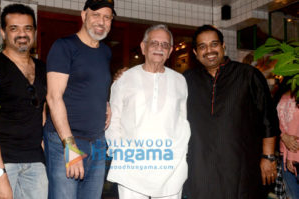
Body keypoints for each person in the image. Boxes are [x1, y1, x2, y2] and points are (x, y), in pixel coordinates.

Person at [182, 25, 279, 198]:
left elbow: (268, 118)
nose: (209, 50)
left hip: (241, 166)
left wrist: (269, 157)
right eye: (202, 46)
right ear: (195, 53)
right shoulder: (186, 80)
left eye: (214, 44)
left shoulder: (248, 75)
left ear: (223, 46)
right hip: (201, 167)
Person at [106, 24, 190, 199]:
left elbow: (183, 121)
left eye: (165, 45)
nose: (160, 48)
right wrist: (119, 152)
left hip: (170, 169)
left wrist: (181, 153)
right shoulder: (124, 79)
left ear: (170, 51)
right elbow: (113, 120)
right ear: (143, 47)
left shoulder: (180, 81)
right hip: (132, 170)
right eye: (154, 43)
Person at [43, 0, 115, 198]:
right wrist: (70, 146)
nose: (102, 21)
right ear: (84, 16)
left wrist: (106, 103)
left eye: (107, 17)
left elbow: (91, 84)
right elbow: (53, 97)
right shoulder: (64, 46)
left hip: (98, 141)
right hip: (66, 140)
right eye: (96, 15)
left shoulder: (105, 52)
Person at [0, 4, 47, 199]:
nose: (22, 34)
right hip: (3, 163)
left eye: (27, 28)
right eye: (14, 28)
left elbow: (41, 115)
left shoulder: (42, 68)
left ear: (34, 32)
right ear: (3, 32)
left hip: (36, 165)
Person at [276, 77, 299, 199]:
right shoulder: (284, 91)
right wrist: (283, 136)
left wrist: (291, 155)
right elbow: (274, 121)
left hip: (294, 156)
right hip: (284, 156)